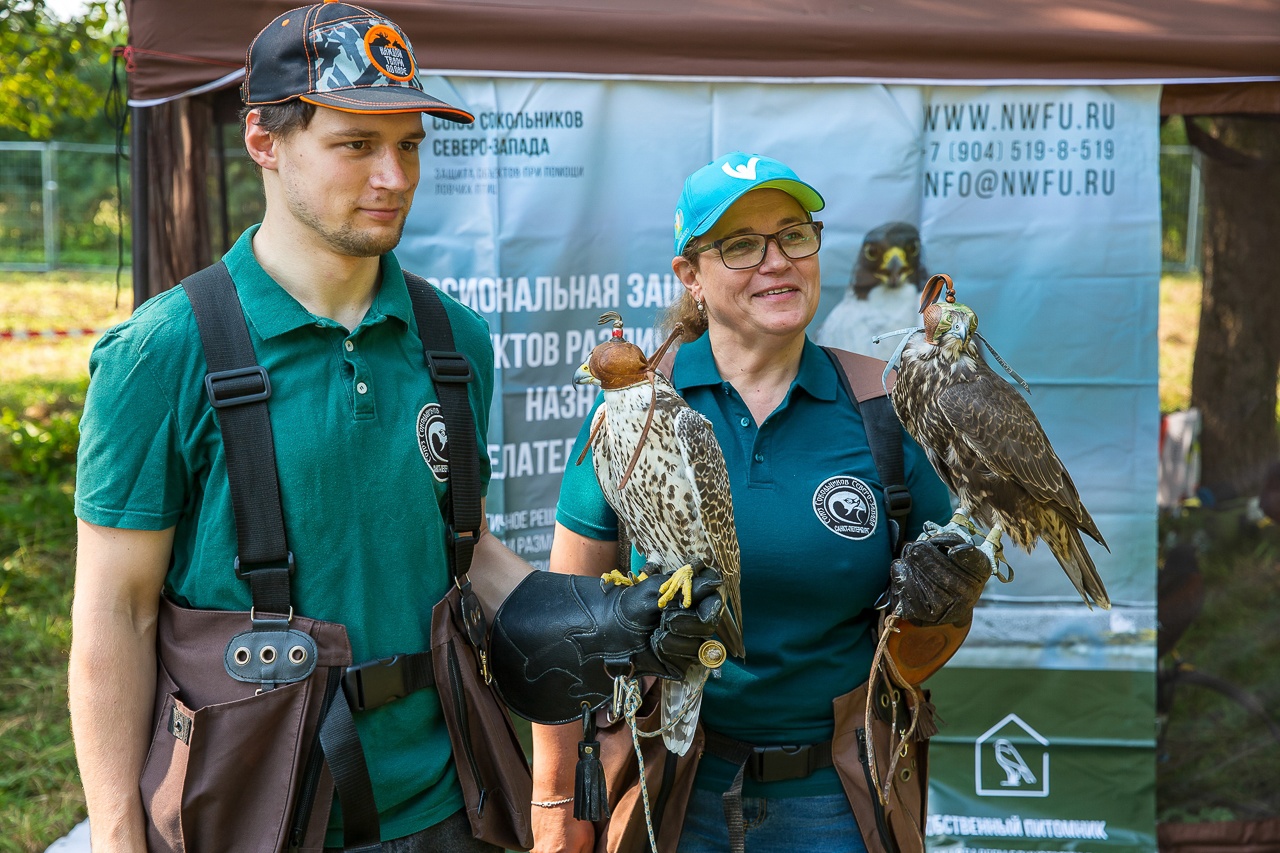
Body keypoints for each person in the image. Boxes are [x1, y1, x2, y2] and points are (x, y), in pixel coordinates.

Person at [67, 4, 719, 851]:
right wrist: (118, 836)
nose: (395, 176)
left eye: (409, 144)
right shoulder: (163, 352)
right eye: (356, 145)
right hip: (245, 808)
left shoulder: (454, 341)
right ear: (263, 139)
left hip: (448, 803)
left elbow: (462, 545)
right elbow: (115, 614)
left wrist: (604, 615)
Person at [531, 152, 989, 852]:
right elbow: (560, 621)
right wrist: (555, 803)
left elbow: (933, 624)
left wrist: (947, 595)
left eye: (794, 235)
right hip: (672, 786)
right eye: (743, 245)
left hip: (838, 798)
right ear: (691, 275)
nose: (777, 261)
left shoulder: (880, 406)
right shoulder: (633, 409)